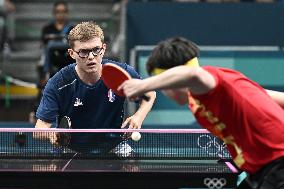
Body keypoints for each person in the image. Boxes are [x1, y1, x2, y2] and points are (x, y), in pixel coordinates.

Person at [119, 37, 284, 188]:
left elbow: (194, 74)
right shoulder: (219, 93)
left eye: (161, 86)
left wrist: (144, 85)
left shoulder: (211, 80)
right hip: (263, 168)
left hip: (277, 162)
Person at [34, 21, 156, 157]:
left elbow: (150, 93)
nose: (91, 57)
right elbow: (39, 129)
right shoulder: (58, 83)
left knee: (136, 175)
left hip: (114, 146)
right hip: (72, 149)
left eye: (96, 50)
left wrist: (138, 117)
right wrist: (52, 135)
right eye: (83, 52)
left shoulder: (120, 73)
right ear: (71, 53)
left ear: (103, 49)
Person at [40, 0, 73, 78]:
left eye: (63, 11)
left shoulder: (73, 29)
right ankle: (46, 75)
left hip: (68, 59)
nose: (61, 14)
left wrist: (54, 40)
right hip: (52, 60)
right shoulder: (47, 28)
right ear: (54, 13)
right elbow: (45, 43)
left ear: (67, 13)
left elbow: (74, 44)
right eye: (58, 11)